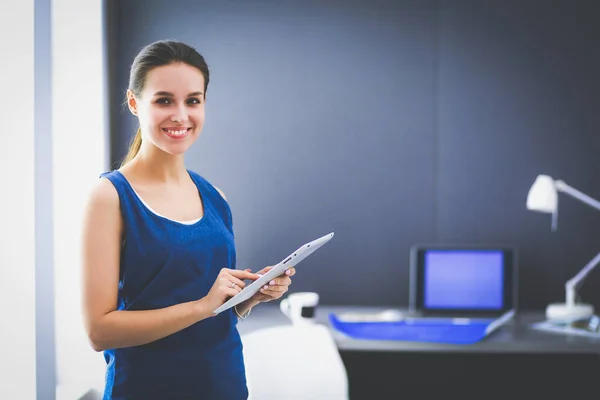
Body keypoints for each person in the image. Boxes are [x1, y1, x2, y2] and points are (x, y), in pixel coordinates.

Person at [81, 39, 296, 400]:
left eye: (192, 101)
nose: (181, 115)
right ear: (134, 103)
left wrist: (245, 300)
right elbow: (99, 331)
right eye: (164, 100)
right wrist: (201, 307)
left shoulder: (215, 197)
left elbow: (211, 311)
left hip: (224, 386)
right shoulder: (110, 196)